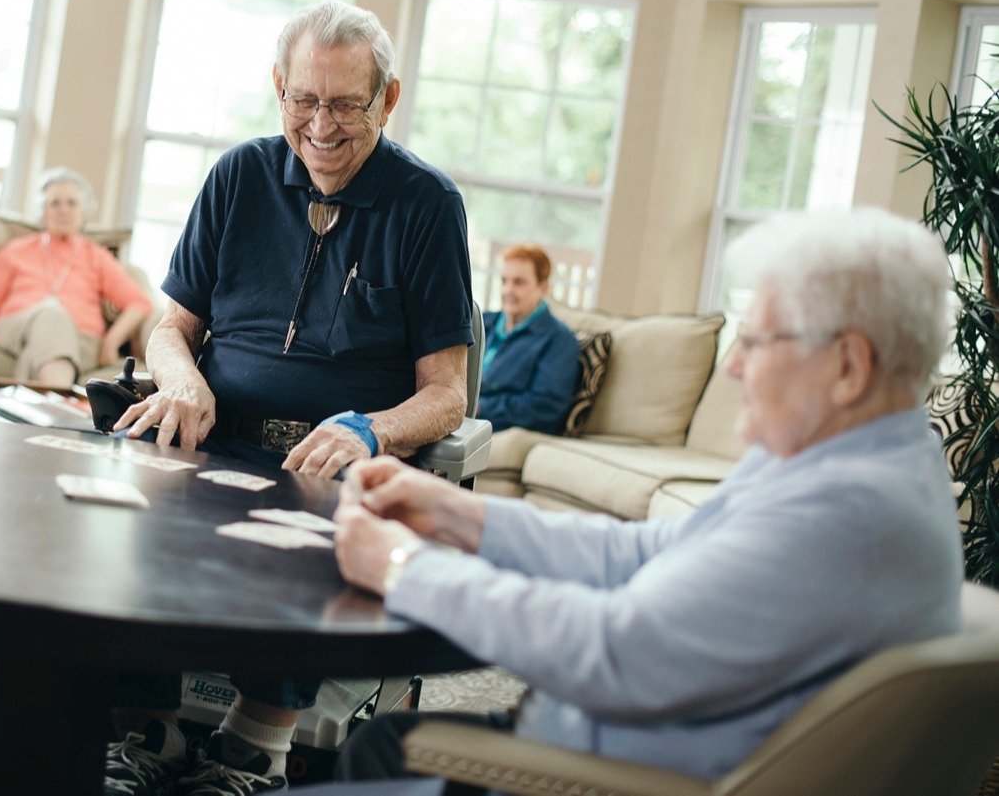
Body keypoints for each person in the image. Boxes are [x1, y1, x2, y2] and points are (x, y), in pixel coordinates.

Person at [330, 207, 965, 788]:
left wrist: (400, 567)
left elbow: (609, 651)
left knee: (376, 752)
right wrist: (457, 512)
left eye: (759, 339)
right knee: (378, 746)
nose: (736, 365)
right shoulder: (843, 465)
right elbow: (642, 550)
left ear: (848, 367)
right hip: (605, 743)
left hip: (591, 775)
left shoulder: (842, 516)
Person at [104, 0, 474, 796]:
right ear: (279, 88)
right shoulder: (239, 176)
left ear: (389, 98)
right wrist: (181, 376)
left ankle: (253, 747)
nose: (323, 126)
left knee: (320, 516)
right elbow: (168, 325)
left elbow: (448, 393)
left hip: (324, 459)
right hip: (215, 434)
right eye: (305, 100)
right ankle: (147, 726)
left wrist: (371, 431)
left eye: (347, 104)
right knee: (130, 490)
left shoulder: (427, 205)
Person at [0, 167, 152, 386]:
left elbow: (139, 303)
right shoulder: (15, 251)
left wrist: (110, 342)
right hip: (17, 329)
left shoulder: (97, 257)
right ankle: (57, 404)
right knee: (51, 314)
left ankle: (30, 403)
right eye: (54, 203)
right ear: (43, 211)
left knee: (41, 345)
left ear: (84, 211)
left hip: (80, 339)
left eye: (72, 203)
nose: (63, 210)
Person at [478, 244, 580, 434]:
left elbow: (543, 407)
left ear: (544, 287)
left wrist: (479, 408)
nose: (508, 290)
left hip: (495, 425)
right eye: (504, 281)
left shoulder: (558, 339)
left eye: (519, 282)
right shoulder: (481, 322)